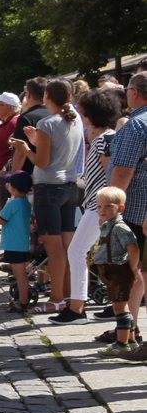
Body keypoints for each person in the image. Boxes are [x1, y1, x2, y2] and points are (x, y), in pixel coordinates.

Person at [21, 80, 84, 315]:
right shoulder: (74, 119)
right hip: (69, 185)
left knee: (54, 247)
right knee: (68, 247)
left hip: (49, 186)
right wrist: (36, 141)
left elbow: (43, 161)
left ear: (47, 95)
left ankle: (56, 298)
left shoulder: (47, 122)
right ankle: (67, 294)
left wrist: (27, 149)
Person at [67, 89, 123, 322]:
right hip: (98, 204)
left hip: (98, 206)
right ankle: (113, 303)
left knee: (78, 251)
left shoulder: (103, 140)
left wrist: (106, 208)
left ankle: (77, 307)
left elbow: (111, 173)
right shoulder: (105, 137)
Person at [106, 74, 147, 362]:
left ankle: (127, 336)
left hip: (133, 210)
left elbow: (122, 173)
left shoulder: (136, 125)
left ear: (133, 93)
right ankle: (131, 334)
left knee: (126, 274)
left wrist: (110, 212)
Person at [94, 187, 141, 355]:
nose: (102, 210)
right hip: (110, 271)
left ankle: (121, 344)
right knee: (123, 306)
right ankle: (131, 339)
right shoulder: (107, 225)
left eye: (108, 206)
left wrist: (133, 268)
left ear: (120, 208)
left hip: (119, 271)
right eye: (99, 207)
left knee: (119, 307)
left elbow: (133, 248)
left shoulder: (120, 227)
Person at [0, 172, 35, 308]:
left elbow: (0, 220)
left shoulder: (12, 204)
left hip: (14, 244)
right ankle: (23, 297)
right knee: (21, 273)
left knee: (20, 275)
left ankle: (23, 301)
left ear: (12, 188)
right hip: (22, 243)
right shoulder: (25, 203)